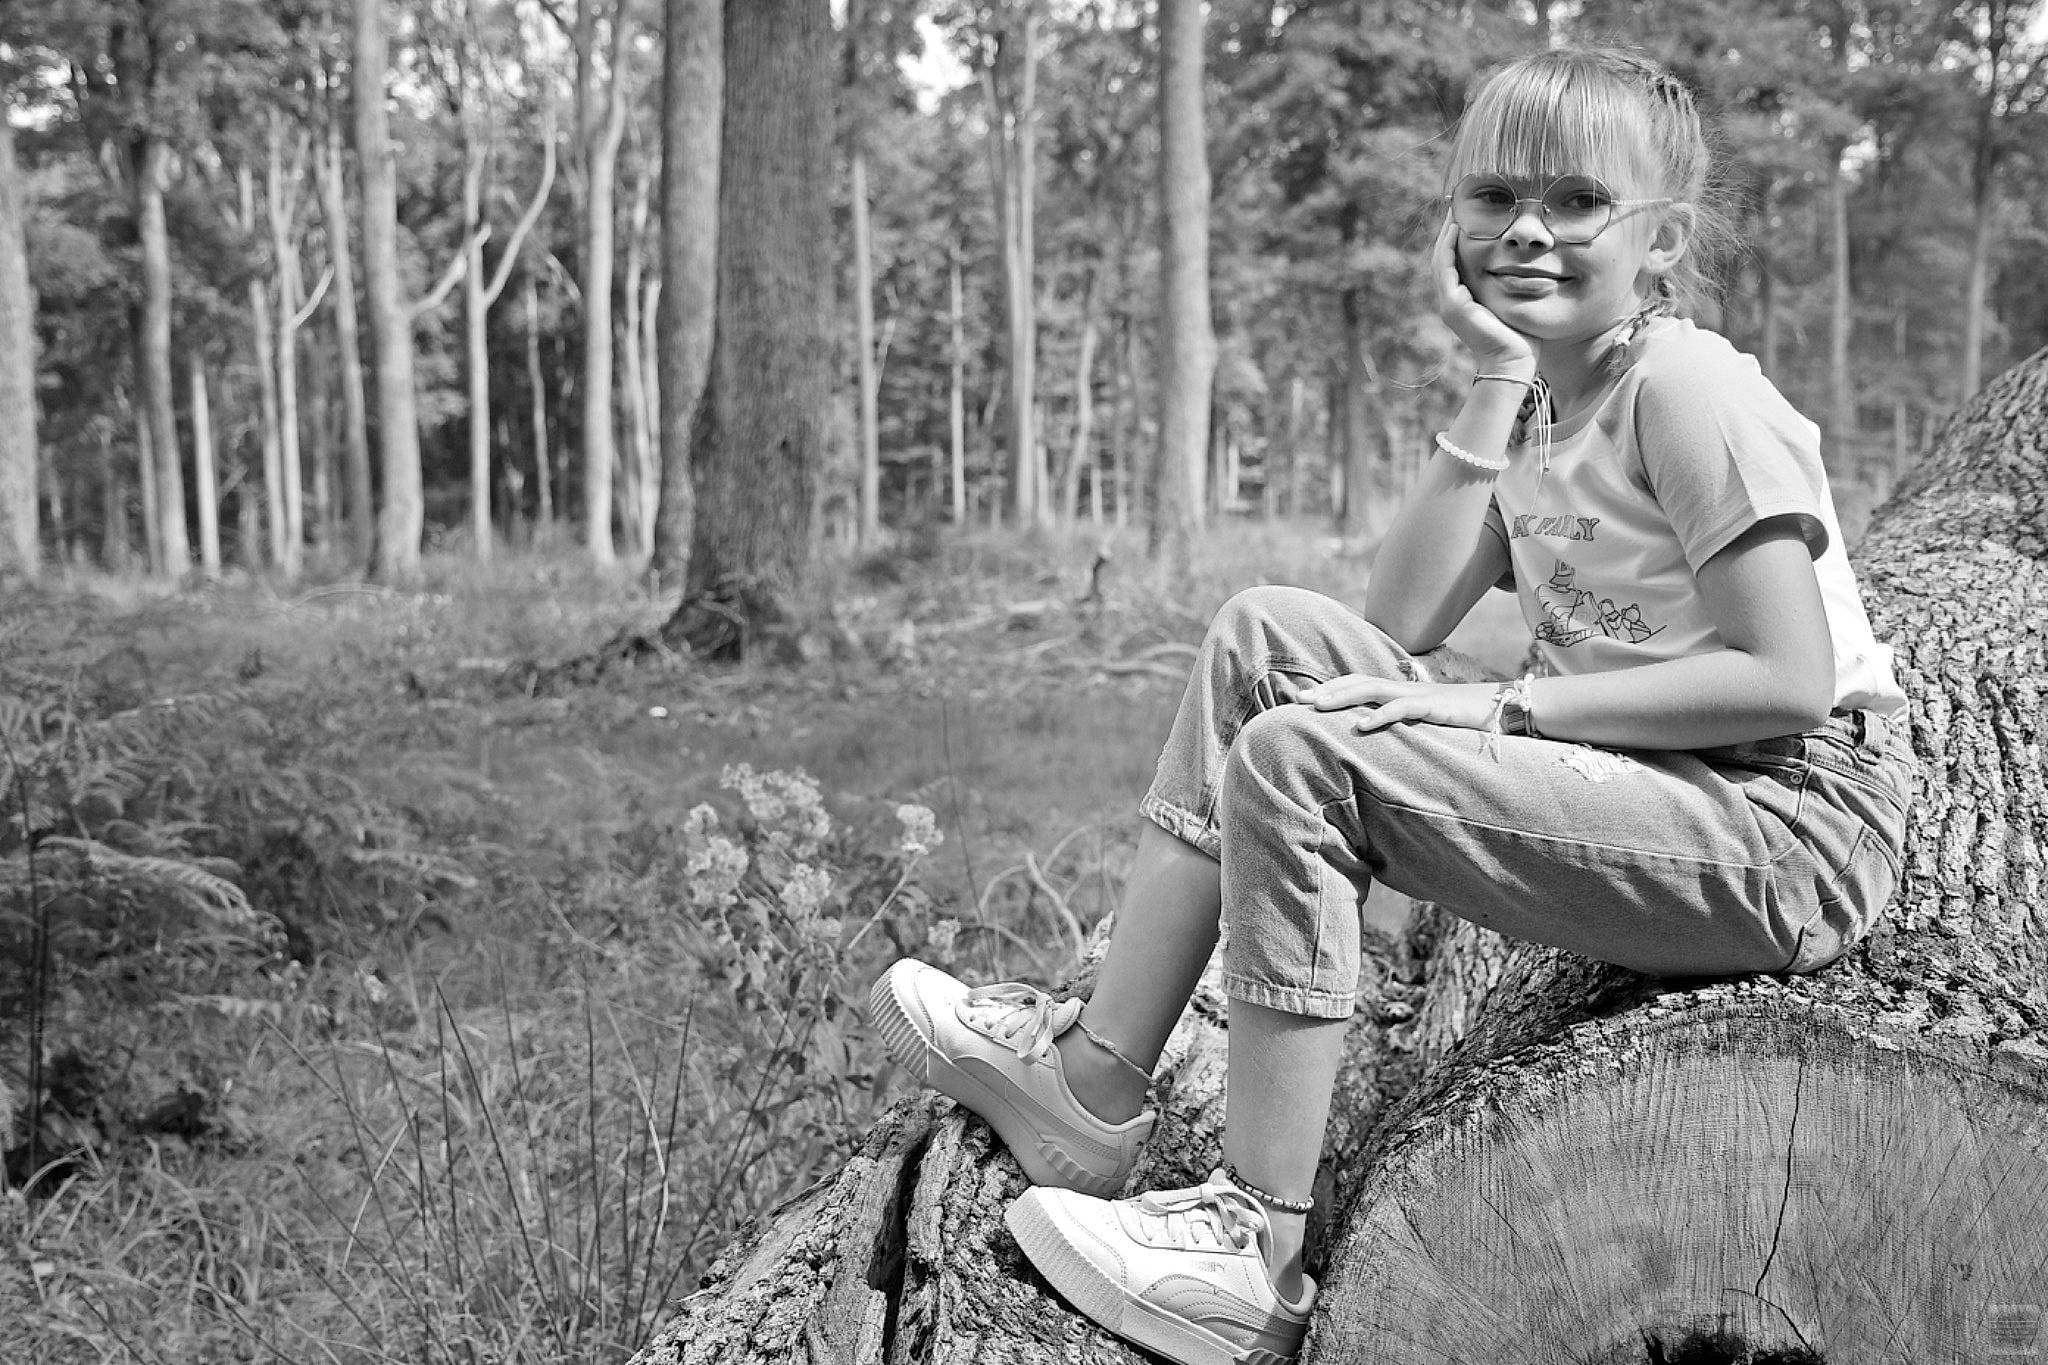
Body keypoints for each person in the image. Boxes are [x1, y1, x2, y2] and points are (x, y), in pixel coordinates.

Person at [869, 45, 1915, 1365]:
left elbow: (1787, 680)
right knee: (1265, 639)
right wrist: (1493, 373)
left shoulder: (1688, 391)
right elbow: (1400, 616)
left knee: (1304, 758)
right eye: (1494, 198)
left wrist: (1508, 712)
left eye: (1577, 200)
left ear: (1661, 242)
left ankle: (1252, 1253)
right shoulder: (1544, 404)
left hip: (1787, 819)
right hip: (1669, 780)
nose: (1526, 229)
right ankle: (1092, 1085)